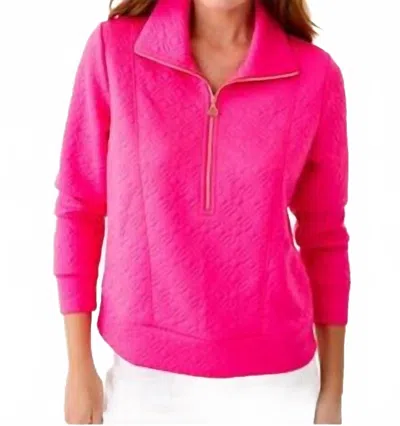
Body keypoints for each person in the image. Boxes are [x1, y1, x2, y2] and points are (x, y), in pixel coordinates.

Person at [53, 0, 351, 423]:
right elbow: (78, 206)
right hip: (146, 384)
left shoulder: (315, 74)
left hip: (278, 385)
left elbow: (326, 237)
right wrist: (77, 364)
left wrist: (333, 392)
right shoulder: (114, 52)